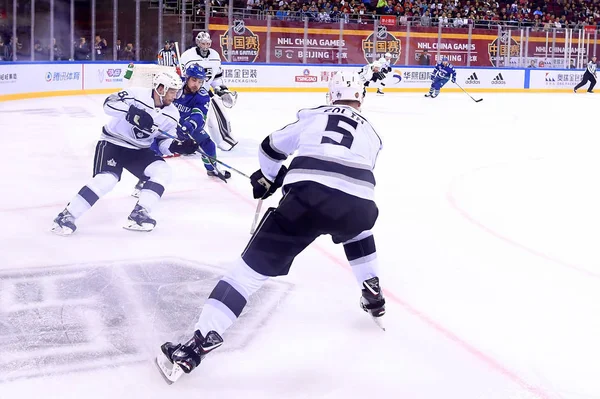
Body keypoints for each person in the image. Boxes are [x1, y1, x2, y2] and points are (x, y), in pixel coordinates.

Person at [155, 71, 386, 384]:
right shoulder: (372, 132)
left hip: (307, 201)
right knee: (357, 228)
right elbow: (345, 176)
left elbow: (270, 147)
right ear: (361, 99)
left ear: (329, 96)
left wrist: (269, 177)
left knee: (245, 275)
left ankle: (195, 346)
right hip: (361, 204)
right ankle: (372, 289)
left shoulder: (313, 115)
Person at [51, 70, 198, 236]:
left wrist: (178, 147)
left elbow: (163, 142)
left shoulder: (172, 114)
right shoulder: (136, 94)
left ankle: (139, 214)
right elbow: (109, 103)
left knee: (163, 171)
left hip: (139, 150)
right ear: (161, 88)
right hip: (113, 143)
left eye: (176, 91)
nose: (175, 96)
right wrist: (133, 114)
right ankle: (66, 216)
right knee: (107, 179)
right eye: (172, 91)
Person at [132, 64, 230, 197]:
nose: (197, 84)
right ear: (187, 78)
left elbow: (199, 114)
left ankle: (212, 169)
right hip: (167, 124)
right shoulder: (174, 86)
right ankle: (144, 180)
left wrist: (190, 124)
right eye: (194, 80)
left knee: (208, 144)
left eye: (200, 81)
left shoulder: (202, 95)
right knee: (154, 149)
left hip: (187, 127)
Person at [179, 31, 238, 151]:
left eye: (207, 43)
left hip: (204, 93)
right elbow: (181, 75)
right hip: (188, 93)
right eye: (202, 43)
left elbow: (216, 78)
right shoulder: (187, 56)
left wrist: (221, 89)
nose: (205, 46)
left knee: (206, 117)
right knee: (185, 118)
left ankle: (220, 139)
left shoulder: (215, 56)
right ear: (197, 43)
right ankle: (184, 141)